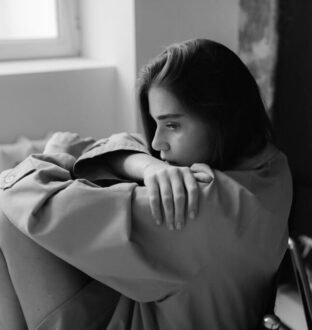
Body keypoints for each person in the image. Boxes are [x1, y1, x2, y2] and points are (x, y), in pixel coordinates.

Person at [0, 39, 292, 330]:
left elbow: (21, 196)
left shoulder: (189, 205)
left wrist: (55, 154)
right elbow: (118, 145)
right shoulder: (272, 167)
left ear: (223, 116)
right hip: (205, 310)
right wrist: (147, 165)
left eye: (173, 125)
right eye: (156, 124)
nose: (156, 141)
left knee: (5, 215)